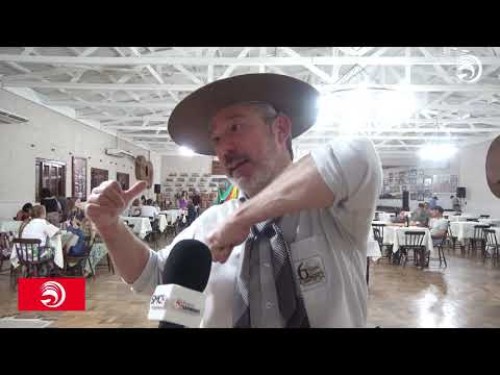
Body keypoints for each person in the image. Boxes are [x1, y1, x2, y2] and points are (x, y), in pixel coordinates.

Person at [84, 73, 383, 328]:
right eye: (216, 139)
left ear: (280, 129)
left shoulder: (335, 212)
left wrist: (243, 218)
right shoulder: (210, 225)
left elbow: (357, 154)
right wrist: (111, 227)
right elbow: (154, 277)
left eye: (235, 128)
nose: (224, 149)